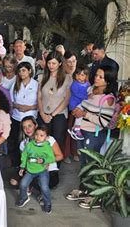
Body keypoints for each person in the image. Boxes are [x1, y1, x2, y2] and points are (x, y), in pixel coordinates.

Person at [66, 65, 117, 209]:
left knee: (92, 165)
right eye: (96, 75)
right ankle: (84, 189)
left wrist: (85, 115)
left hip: (94, 135)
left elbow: (104, 122)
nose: (96, 78)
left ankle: (96, 196)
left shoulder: (108, 99)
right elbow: (84, 104)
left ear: (107, 81)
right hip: (82, 131)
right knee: (83, 163)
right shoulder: (90, 90)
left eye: (101, 77)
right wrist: (79, 109)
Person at [9, 116, 63, 190]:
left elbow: (60, 156)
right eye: (24, 127)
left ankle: (33, 186)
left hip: (49, 170)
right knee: (13, 182)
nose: (27, 129)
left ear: (36, 126)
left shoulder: (49, 139)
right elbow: (24, 160)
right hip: (31, 169)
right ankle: (31, 184)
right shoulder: (23, 144)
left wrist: (46, 161)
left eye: (30, 126)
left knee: (41, 181)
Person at [37, 51, 72, 154]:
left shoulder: (67, 78)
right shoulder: (42, 77)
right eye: (49, 63)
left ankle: (56, 166)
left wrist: (52, 115)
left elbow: (66, 100)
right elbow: (39, 97)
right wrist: (42, 113)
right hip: (43, 114)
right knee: (42, 141)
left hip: (59, 115)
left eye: (54, 63)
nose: (51, 66)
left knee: (57, 142)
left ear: (60, 64)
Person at [16, 126, 55, 214]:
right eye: (36, 134)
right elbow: (24, 156)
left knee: (44, 188)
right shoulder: (29, 145)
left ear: (47, 137)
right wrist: (22, 167)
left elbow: (52, 158)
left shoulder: (47, 147)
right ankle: (23, 197)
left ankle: (48, 203)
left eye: (42, 135)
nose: (38, 137)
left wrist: (44, 160)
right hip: (30, 170)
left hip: (42, 171)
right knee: (22, 184)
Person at [9, 62, 39, 167]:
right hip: (17, 117)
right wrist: (18, 106)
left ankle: (31, 164)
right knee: (16, 142)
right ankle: (17, 164)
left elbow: (40, 103)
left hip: (31, 117)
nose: (21, 73)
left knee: (30, 142)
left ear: (30, 71)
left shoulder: (36, 85)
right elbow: (11, 101)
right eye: (20, 71)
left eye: (24, 70)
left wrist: (29, 107)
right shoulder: (15, 84)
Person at [67, 66, 90, 141]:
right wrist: (87, 97)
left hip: (83, 103)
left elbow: (90, 91)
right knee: (79, 115)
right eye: (78, 74)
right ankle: (76, 129)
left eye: (82, 75)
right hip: (75, 103)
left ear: (86, 76)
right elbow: (77, 94)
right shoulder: (74, 84)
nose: (80, 77)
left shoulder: (88, 84)